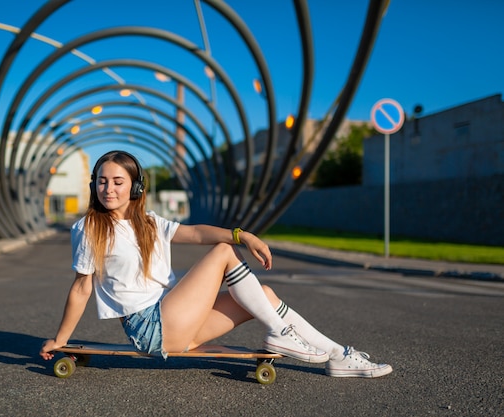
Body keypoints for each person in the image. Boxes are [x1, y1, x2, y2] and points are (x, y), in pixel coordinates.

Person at [40, 150, 392, 378]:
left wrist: (243, 234)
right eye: (101, 181)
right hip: (150, 328)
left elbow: (194, 233)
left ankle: (338, 356)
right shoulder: (89, 228)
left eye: (118, 181)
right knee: (223, 254)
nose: (108, 188)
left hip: (173, 319)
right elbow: (82, 287)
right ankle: (282, 336)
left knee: (264, 295)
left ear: (135, 187)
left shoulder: (147, 223)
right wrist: (61, 339)